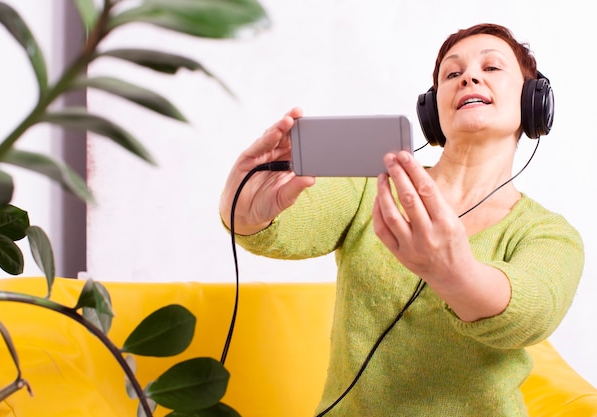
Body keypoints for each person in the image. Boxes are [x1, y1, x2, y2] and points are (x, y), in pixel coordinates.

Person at [219, 23, 584, 416]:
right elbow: (284, 228)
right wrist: (244, 211)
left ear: (532, 102)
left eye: (492, 67)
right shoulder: (372, 185)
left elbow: (533, 313)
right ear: (432, 110)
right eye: (452, 73)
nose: (470, 77)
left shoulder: (548, 233)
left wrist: (455, 274)